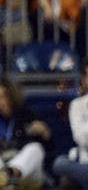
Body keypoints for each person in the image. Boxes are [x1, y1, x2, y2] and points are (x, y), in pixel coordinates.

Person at [0, 77, 50, 188]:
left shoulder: (28, 114)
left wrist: (45, 134)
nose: (0, 103)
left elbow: (44, 150)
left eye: (3, 97)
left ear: (12, 96)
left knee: (36, 148)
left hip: (20, 168)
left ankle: (8, 176)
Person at [53, 58, 88, 187]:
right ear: (84, 80)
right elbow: (80, 138)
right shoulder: (77, 104)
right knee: (60, 164)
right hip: (83, 162)